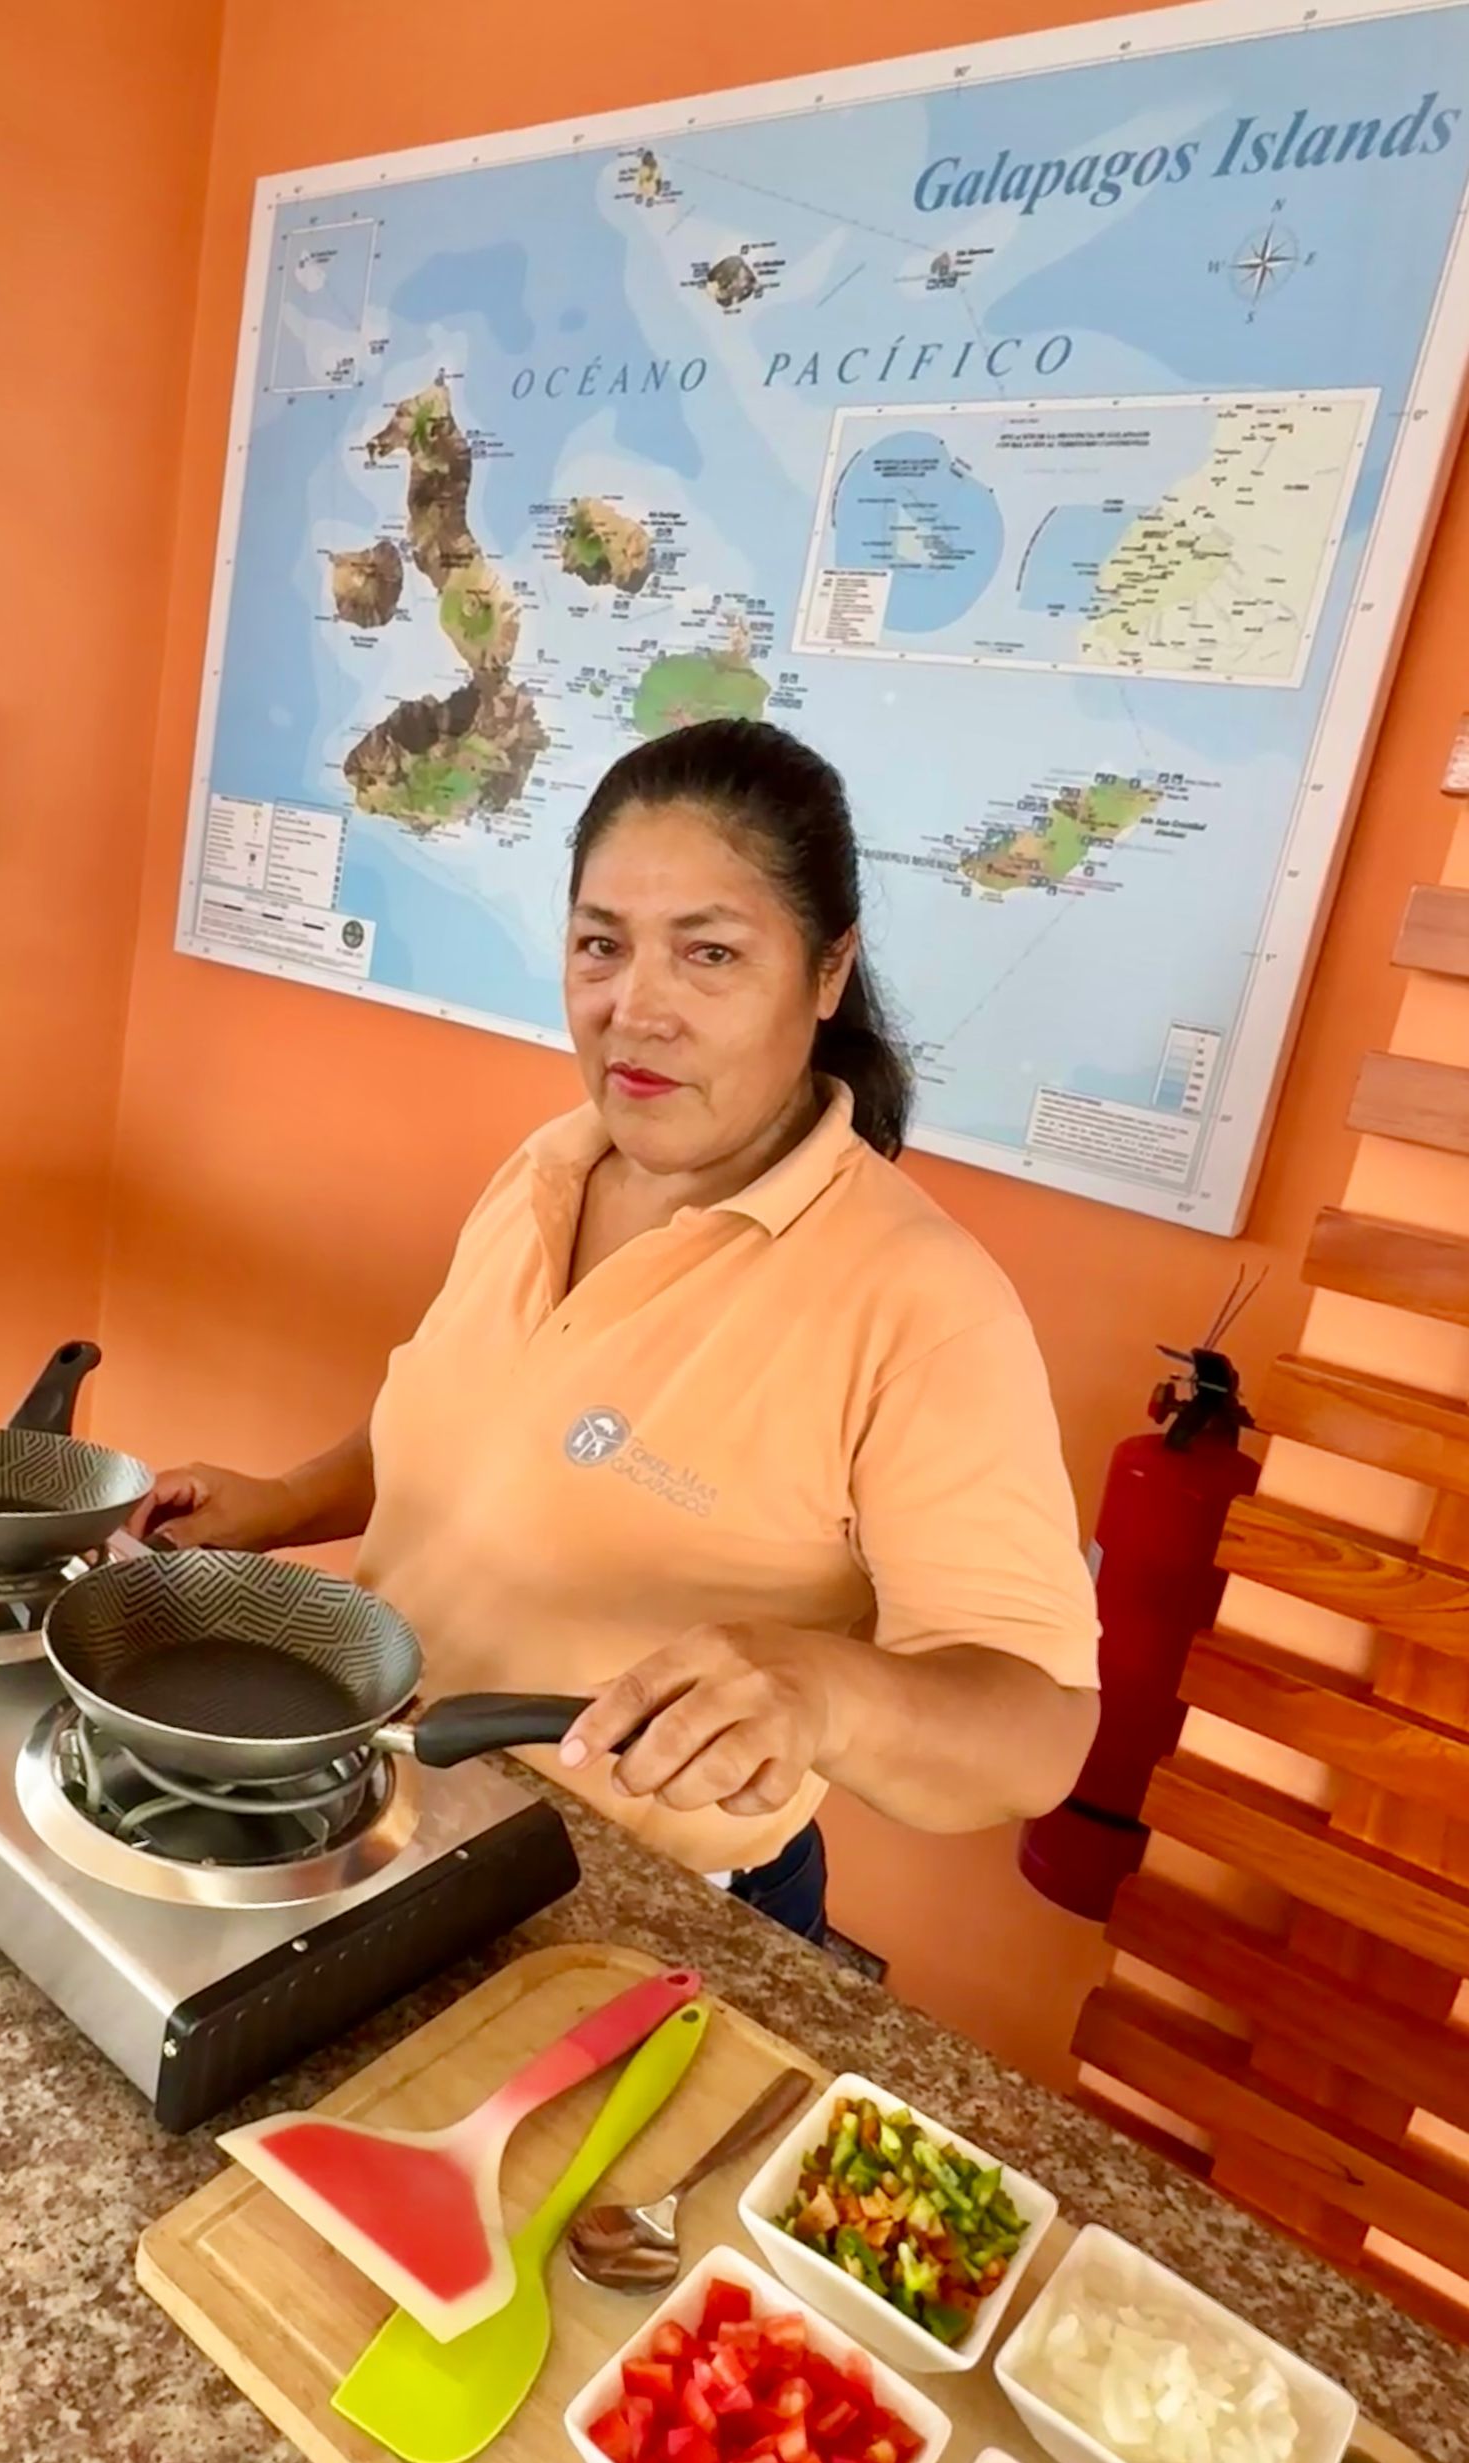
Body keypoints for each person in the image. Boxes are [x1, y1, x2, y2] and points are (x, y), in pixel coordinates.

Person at [132, 720, 1099, 1944]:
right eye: (602, 946)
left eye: (710, 953)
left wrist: (826, 1692)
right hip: (377, 1816)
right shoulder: (549, 1166)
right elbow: (466, 1424)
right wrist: (282, 1500)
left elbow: (1040, 1728)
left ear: (827, 970)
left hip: (623, 1913)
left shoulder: (922, 1305)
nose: (634, 1010)